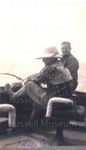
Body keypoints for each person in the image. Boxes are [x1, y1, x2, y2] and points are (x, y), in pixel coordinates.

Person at [5, 46, 75, 122]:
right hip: (67, 102)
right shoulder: (61, 66)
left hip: (55, 103)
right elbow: (39, 75)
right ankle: (31, 122)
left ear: (50, 58)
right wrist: (28, 78)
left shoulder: (49, 69)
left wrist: (23, 82)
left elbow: (33, 81)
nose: (42, 60)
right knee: (38, 99)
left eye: (44, 58)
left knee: (29, 85)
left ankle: (13, 96)